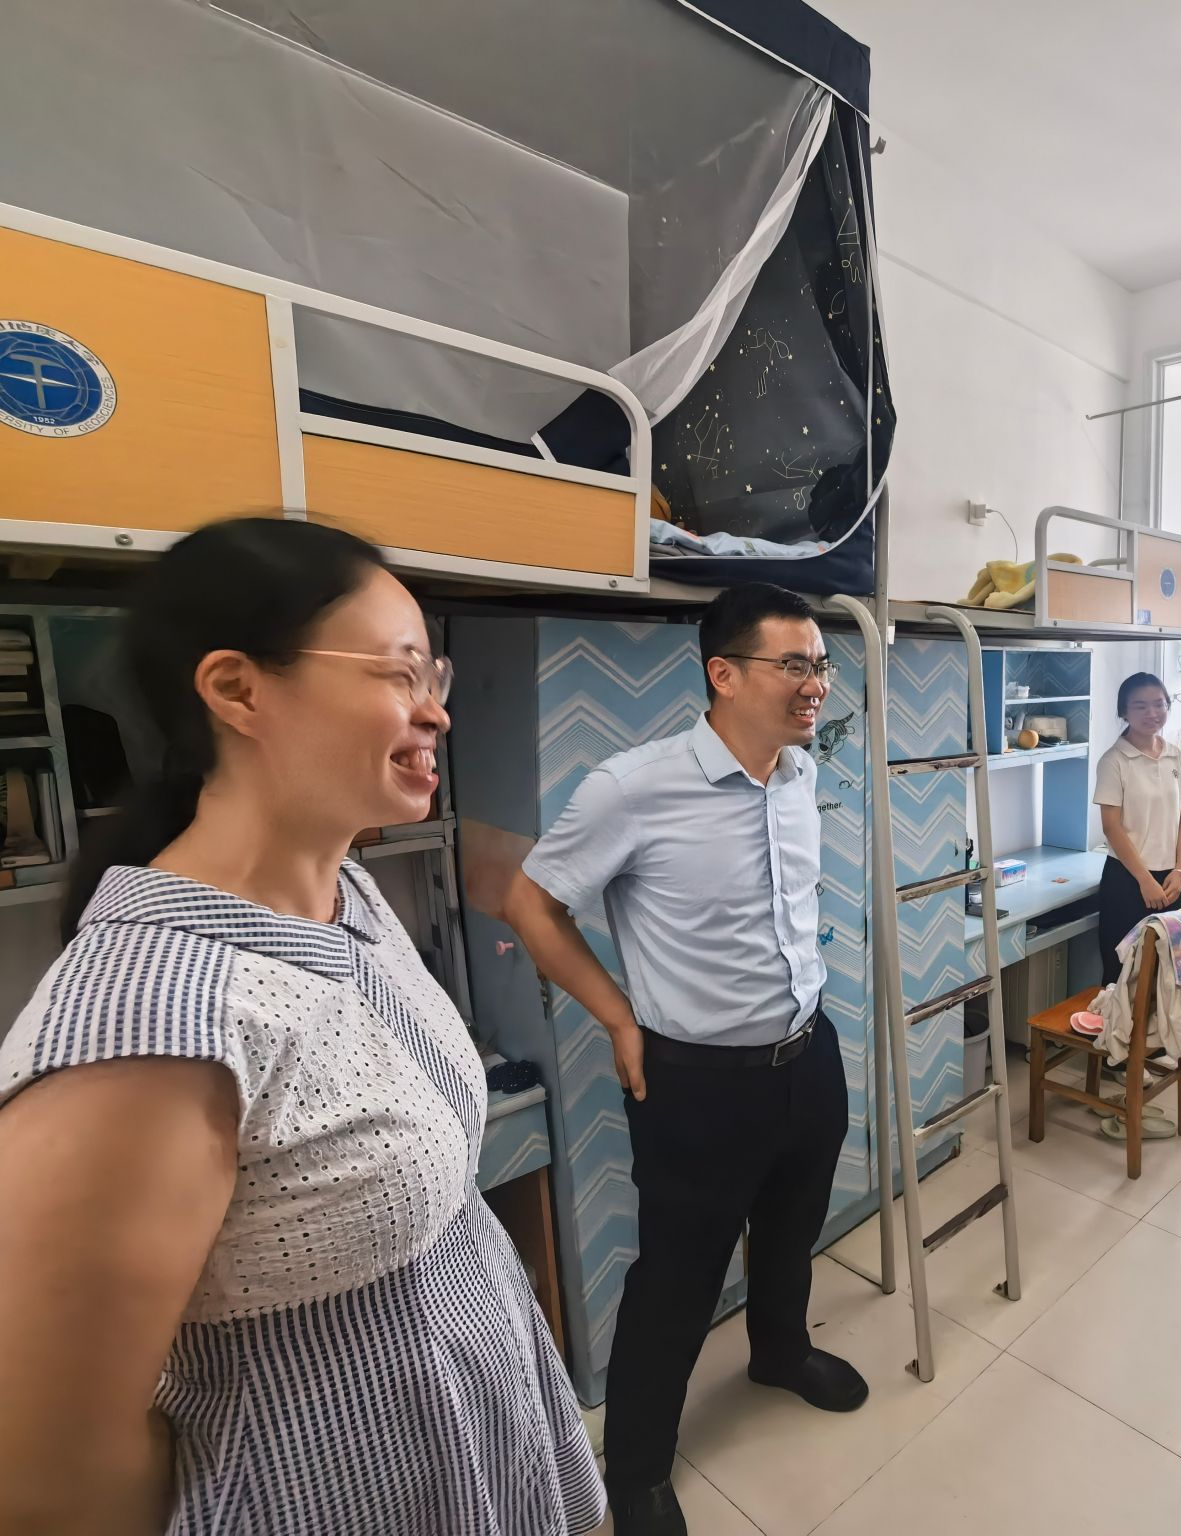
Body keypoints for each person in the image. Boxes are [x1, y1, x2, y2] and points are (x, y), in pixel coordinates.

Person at [0, 519, 603, 1536]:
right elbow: (45, 1475)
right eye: (399, 673)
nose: (436, 711)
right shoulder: (151, 1027)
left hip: (481, 1458)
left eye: (435, 675)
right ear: (237, 689)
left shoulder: (349, 899)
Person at [503, 583, 866, 1536]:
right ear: (724, 674)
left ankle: (779, 1353)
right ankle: (635, 1467)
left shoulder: (797, 774)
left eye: (821, 665)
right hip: (697, 1085)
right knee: (677, 1275)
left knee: (791, 1231)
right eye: (795, 664)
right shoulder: (633, 787)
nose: (816, 684)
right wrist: (619, 1018)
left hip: (808, 1056)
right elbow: (530, 904)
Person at [1093, 671, 1181, 983]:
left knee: (1168, 974)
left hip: (1171, 880)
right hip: (1128, 879)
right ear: (1124, 712)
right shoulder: (1114, 760)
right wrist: (1145, 880)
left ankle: (1159, 1023)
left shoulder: (1176, 756)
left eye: (1159, 704)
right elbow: (1111, 827)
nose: (1152, 713)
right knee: (1122, 973)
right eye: (1140, 706)